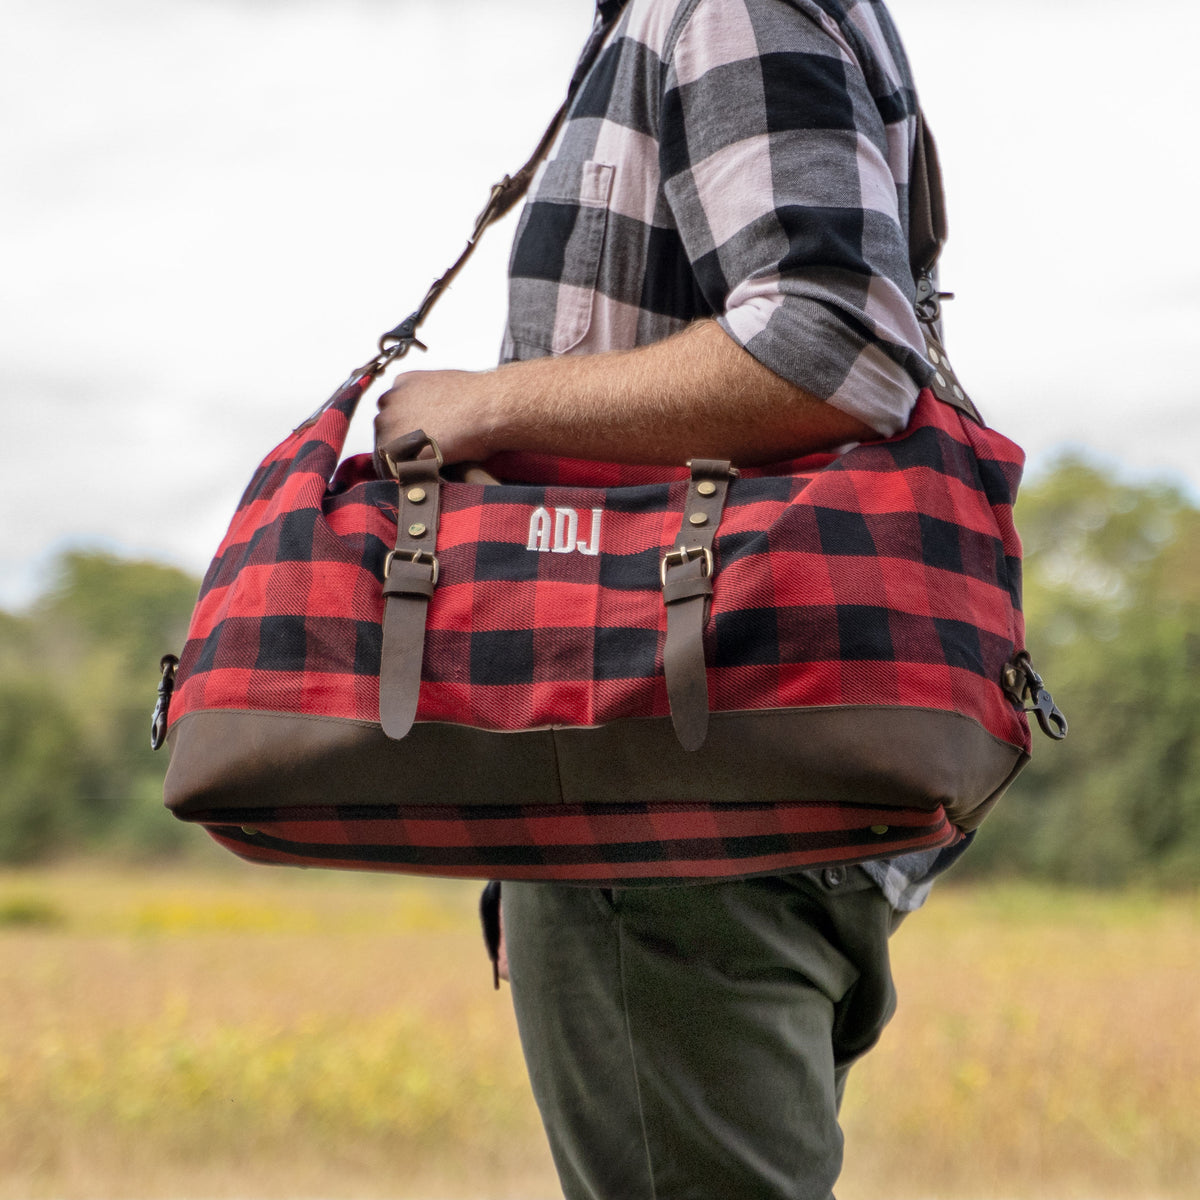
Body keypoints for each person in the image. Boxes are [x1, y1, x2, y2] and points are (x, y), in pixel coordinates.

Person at [374, 2, 967, 1196]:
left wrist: (484, 405)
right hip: (707, 792)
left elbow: (832, 336)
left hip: (667, 801)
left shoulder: (720, 5)